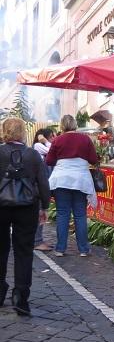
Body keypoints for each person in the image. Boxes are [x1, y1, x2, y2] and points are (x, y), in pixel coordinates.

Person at [0, 118, 51, 316]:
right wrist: (45, 206)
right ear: (23, 132)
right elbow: (43, 182)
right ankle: (21, 296)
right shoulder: (32, 155)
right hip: (27, 207)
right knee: (23, 251)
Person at [46, 114, 98, 257]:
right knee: (80, 215)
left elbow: (49, 161)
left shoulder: (58, 140)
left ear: (62, 126)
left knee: (63, 214)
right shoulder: (85, 139)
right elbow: (94, 159)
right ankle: (83, 249)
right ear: (75, 124)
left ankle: (60, 249)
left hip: (61, 180)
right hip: (80, 180)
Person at [32, 128, 55, 252]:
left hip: (44, 182)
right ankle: (36, 241)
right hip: (40, 184)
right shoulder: (37, 145)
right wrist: (45, 141)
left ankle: (38, 239)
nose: (52, 139)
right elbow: (52, 150)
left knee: (40, 213)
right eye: (50, 136)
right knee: (40, 213)